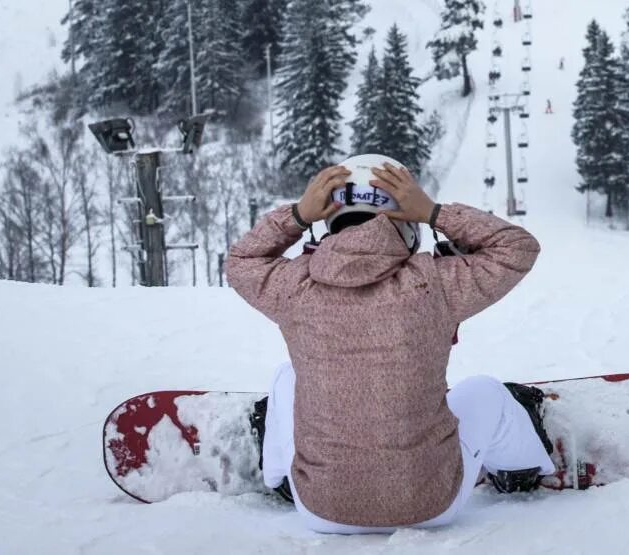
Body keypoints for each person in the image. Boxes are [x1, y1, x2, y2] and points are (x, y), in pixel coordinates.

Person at [227, 155, 554, 533]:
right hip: (430, 505)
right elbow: (517, 247)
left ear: (328, 225)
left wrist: (297, 215)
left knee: (287, 377)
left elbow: (241, 259)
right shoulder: (435, 282)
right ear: (408, 226)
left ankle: (282, 477)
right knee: (486, 391)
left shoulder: (294, 286)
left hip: (321, 509)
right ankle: (522, 469)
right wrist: (435, 212)